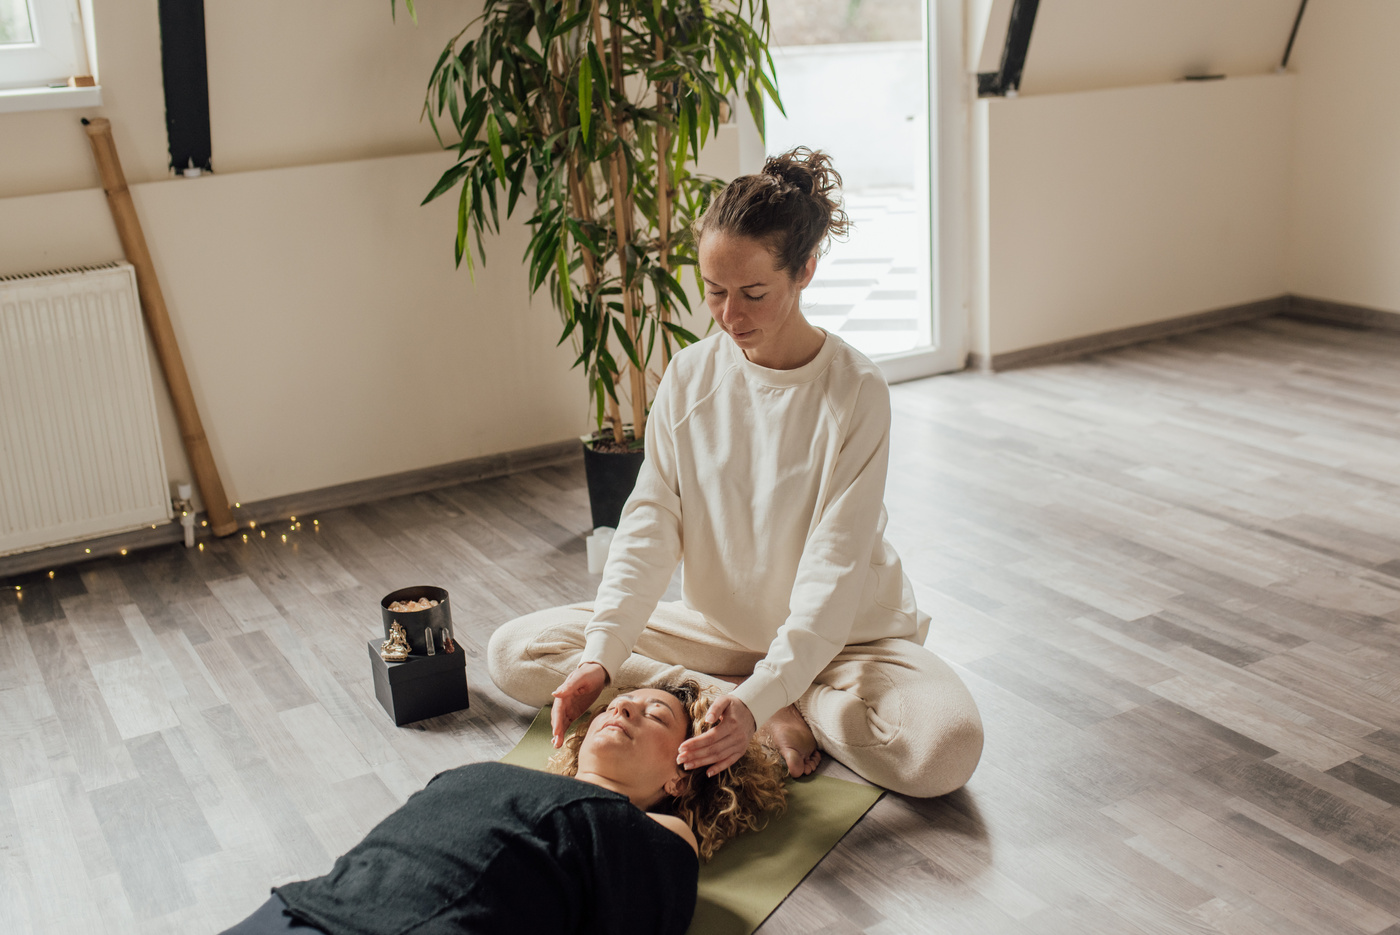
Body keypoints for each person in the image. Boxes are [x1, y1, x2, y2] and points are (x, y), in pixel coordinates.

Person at [489, 147, 984, 799]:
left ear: (805, 269)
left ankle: (774, 697)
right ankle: (732, 697)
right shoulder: (691, 374)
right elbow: (649, 525)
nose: (730, 315)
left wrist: (768, 688)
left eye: (753, 293)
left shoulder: (855, 391)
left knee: (942, 751)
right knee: (517, 650)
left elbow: (834, 570)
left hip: (847, 639)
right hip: (716, 634)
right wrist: (602, 655)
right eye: (715, 291)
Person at [220, 680, 787, 935]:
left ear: (681, 779)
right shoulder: (496, 775)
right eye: (618, 704)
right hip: (305, 907)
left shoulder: (656, 830)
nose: (623, 712)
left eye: (655, 716)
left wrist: (768, 713)